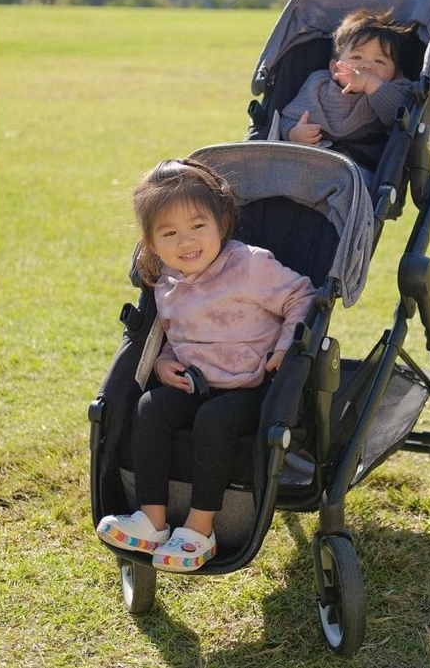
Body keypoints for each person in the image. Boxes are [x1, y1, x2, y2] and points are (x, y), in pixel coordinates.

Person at [96, 158, 316, 572]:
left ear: (222, 223)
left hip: (251, 386)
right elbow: (172, 334)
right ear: (151, 244)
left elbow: (302, 295)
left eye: (198, 226)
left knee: (214, 420)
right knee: (150, 408)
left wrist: (287, 347)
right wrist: (164, 363)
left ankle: (200, 529)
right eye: (169, 234)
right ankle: (152, 520)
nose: (186, 242)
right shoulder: (166, 281)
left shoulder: (249, 265)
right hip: (194, 383)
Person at [278, 7, 416, 185]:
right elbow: (288, 118)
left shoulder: (396, 89)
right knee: (283, 175)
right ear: (334, 68)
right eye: (357, 57)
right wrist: (294, 133)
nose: (366, 66)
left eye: (379, 61)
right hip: (313, 162)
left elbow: (400, 117)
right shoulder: (318, 85)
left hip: (361, 170)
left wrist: (370, 83)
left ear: (396, 74)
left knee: (347, 184)